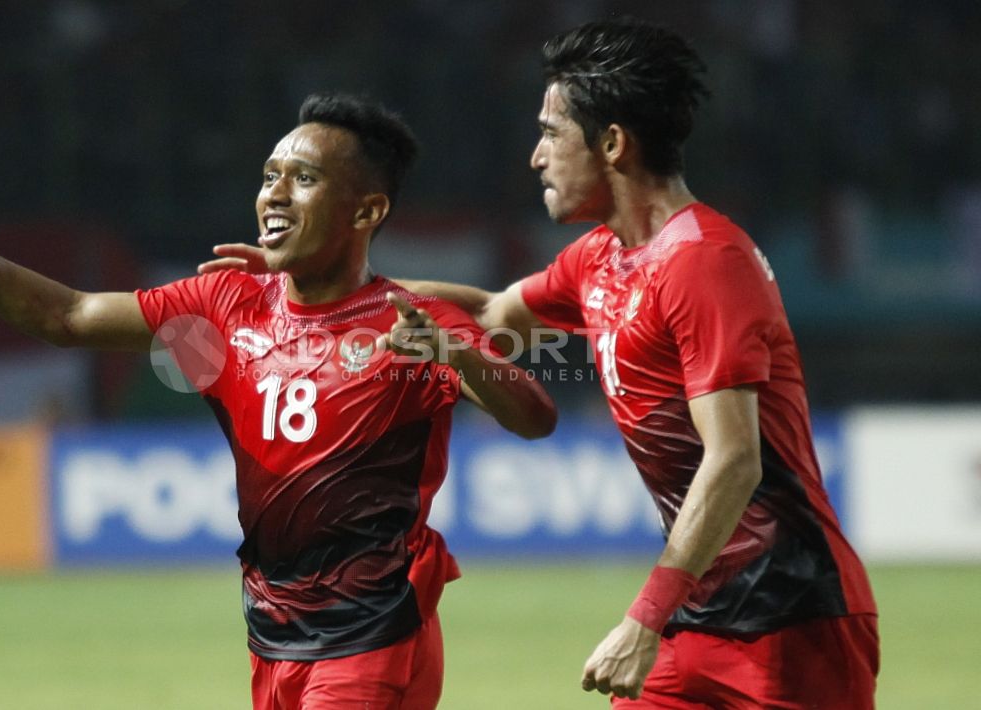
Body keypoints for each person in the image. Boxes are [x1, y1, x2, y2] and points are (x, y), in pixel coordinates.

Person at [201, 20, 880, 709]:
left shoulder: (705, 262)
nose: (536, 157)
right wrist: (324, 275)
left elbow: (734, 459)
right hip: (700, 616)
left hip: (796, 620)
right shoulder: (601, 260)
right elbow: (494, 312)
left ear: (612, 144)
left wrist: (645, 616)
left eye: (551, 133)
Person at [0, 93, 558, 709]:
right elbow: (69, 317)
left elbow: (534, 417)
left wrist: (457, 352)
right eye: (269, 177)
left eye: (305, 179)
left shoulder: (416, 324)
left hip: (374, 629)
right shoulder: (224, 304)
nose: (275, 196)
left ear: (367, 210)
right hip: (274, 634)